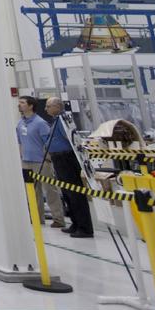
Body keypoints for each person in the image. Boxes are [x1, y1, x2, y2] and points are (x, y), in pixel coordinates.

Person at [44, 97, 93, 238]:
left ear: (57, 107)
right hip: (59, 159)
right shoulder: (56, 120)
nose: (46, 109)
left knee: (74, 192)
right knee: (67, 192)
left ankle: (85, 227)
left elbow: (71, 138)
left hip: (66, 158)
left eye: (48, 106)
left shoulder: (63, 121)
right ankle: (75, 223)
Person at [16, 96, 64, 229]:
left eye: (22, 103)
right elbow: (19, 141)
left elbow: (48, 142)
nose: (19, 105)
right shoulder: (20, 123)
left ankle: (58, 218)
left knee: (49, 190)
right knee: (32, 191)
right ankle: (37, 217)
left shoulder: (40, 123)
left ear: (31, 106)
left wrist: (47, 158)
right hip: (26, 161)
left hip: (41, 161)